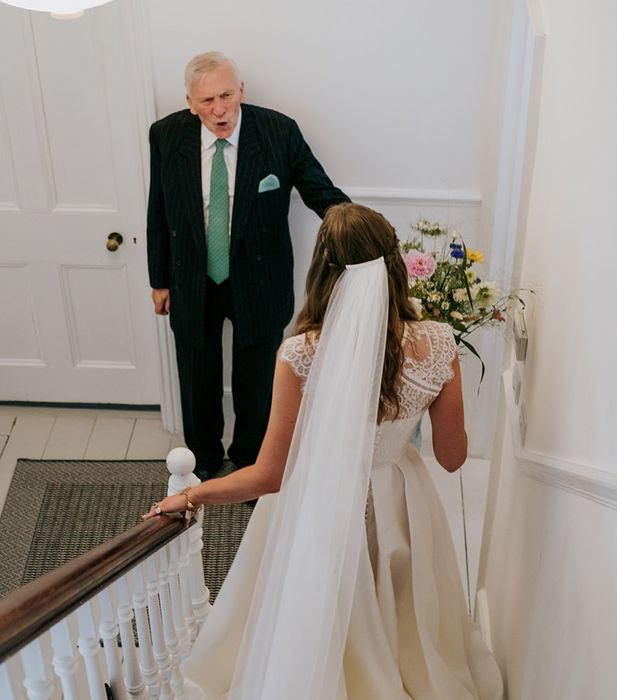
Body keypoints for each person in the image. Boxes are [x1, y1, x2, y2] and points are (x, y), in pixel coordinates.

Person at [145, 203, 503, 699]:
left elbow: (269, 475)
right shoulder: (441, 343)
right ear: (394, 266)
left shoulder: (301, 353)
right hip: (401, 497)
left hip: (323, 499)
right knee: (399, 594)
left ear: (324, 272)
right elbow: (452, 457)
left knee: (326, 601)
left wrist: (193, 496)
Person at [146, 51, 349, 480]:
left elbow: (320, 191)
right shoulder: (165, 135)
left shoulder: (278, 131)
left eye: (226, 95)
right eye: (206, 101)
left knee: (258, 381)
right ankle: (201, 460)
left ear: (241, 90)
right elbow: (159, 209)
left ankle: (251, 461)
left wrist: (358, 232)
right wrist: (159, 279)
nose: (219, 110)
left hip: (260, 278)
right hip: (191, 278)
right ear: (189, 102)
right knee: (196, 376)